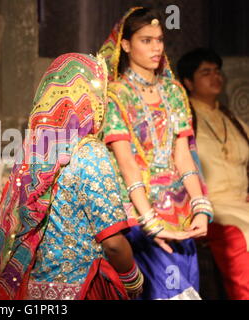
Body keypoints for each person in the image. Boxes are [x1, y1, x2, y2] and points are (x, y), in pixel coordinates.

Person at [0, 53, 143, 300]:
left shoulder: (36, 153)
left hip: (36, 291)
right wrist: (133, 278)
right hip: (84, 289)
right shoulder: (90, 154)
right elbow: (113, 243)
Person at [98, 7, 214, 299]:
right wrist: (150, 221)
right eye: (146, 40)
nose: (156, 47)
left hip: (181, 215)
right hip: (141, 217)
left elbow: (183, 156)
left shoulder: (173, 91)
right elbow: (126, 162)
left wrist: (200, 206)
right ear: (125, 45)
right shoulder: (116, 95)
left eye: (159, 39)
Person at [178, 48, 249, 299]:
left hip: (241, 202)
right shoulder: (185, 120)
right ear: (188, 82)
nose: (215, 77)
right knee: (243, 234)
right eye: (205, 72)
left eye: (217, 71)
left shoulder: (232, 119)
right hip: (212, 206)